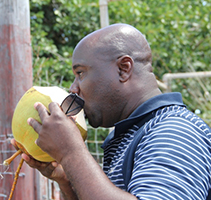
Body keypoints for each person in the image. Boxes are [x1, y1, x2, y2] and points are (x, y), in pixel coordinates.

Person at [11, 23, 211, 199]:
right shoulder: (130, 136)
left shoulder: (175, 131)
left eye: (80, 73)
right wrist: (67, 181)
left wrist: (71, 153)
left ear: (123, 69)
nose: (73, 88)